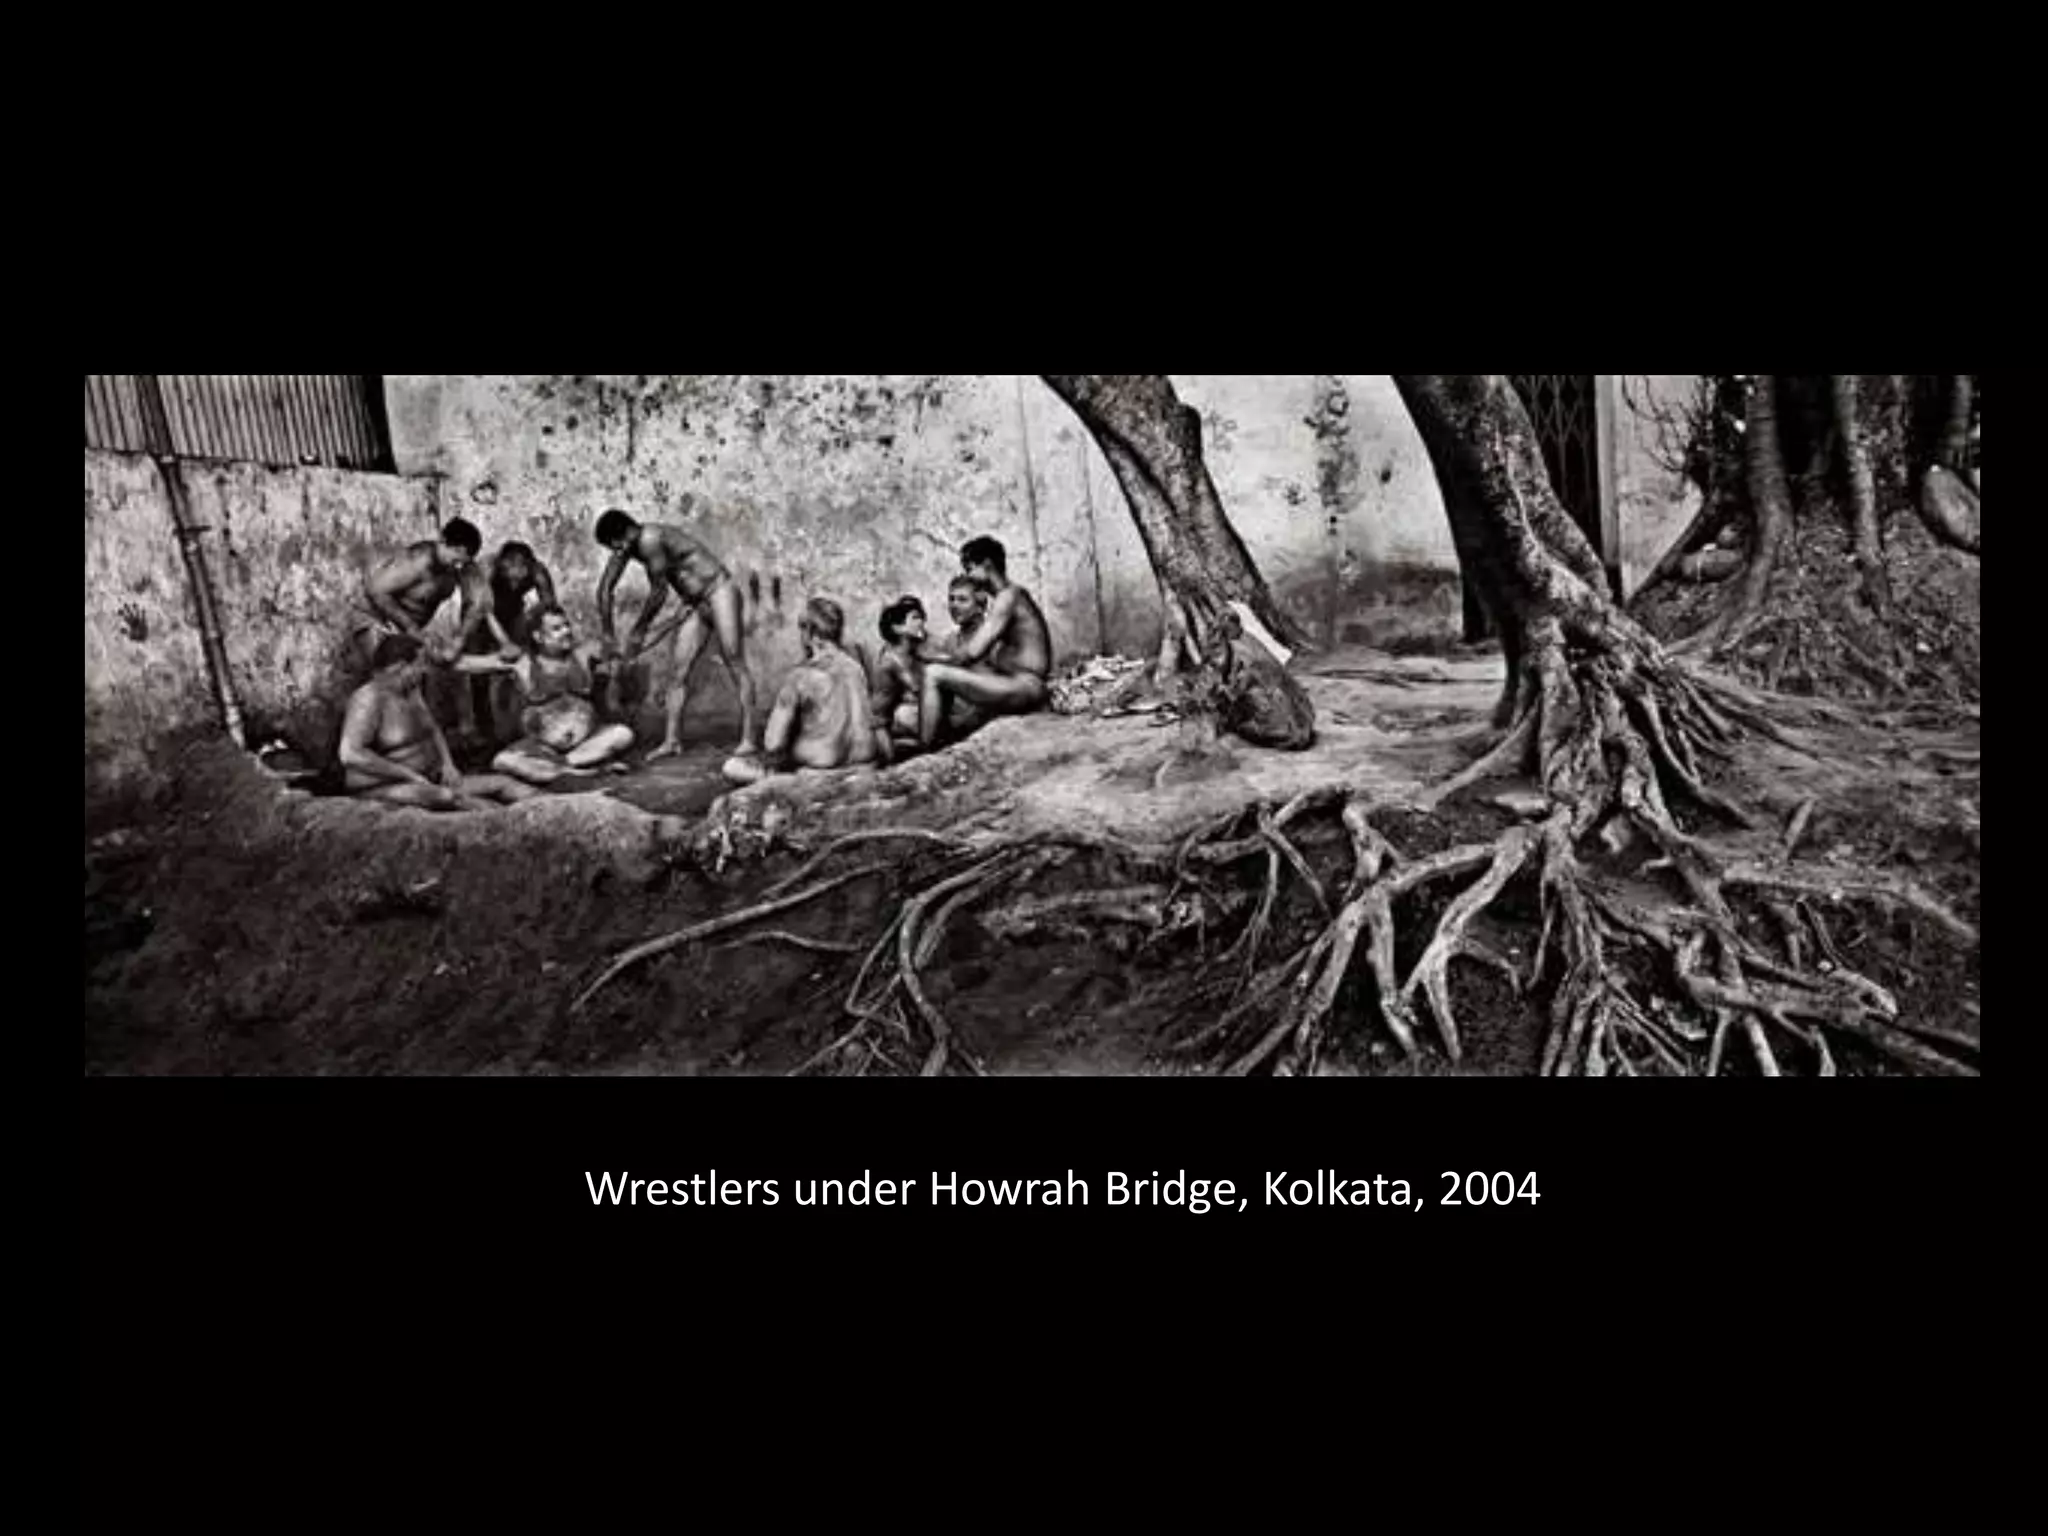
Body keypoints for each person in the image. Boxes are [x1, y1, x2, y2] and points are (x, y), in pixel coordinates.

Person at [594, 508, 760, 764]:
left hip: (718, 590)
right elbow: (605, 589)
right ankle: (672, 741)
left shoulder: (650, 539)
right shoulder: (626, 548)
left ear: (625, 534)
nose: (615, 552)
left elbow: (659, 591)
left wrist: (640, 629)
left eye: (614, 545)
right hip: (693, 602)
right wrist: (608, 633)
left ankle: (749, 738)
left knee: (734, 660)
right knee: (678, 673)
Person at [337, 634, 538, 812]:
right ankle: (508, 823)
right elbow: (350, 754)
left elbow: (432, 729)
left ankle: (551, 807)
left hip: (429, 778)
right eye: (420, 664)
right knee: (450, 798)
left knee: (503, 783)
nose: (424, 670)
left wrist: (448, 765)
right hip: (383, 787)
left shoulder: (411, 691)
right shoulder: (369, 698)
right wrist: (408, 775)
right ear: (401, 667)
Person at [464, 606, 637, 787]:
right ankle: (585, 771)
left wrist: (614, 666)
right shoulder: (523, 662)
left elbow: (618, 652)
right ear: (538, 636)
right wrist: (485, 620)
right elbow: (465, 663)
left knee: (623, 734)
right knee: (503, 761)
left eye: (566, 625)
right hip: (542, 749)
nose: (566, 631)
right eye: (556, 628)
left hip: (585, 744)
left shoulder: (583, 654)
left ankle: (565, 767)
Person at [722, 598, 878, 787]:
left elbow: (773, 744)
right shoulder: (856, 669)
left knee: (732, 767)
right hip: (863, 768)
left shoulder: (800, 676)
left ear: (809, 633)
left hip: (819, 774)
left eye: (801, 629)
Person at [917, 537, 1053, 748]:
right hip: (1020, 683)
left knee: (933, 673)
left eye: (970, 568)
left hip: (1026, 685)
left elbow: (973, 652)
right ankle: (939, 742)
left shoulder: (1008, 597)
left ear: (987, 564)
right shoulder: (1008, 596)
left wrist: (928, 657)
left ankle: (925, 751)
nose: (968, 575)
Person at [350, 519, 485, 672]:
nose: (458, 566)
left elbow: (476, 602)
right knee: (402, 668)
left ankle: (500, 663)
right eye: (455, 559)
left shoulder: (459, 567)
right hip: (376, 623)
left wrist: (460, 639)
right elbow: (375, 590)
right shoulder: (418, 560)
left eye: (462, 562)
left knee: (439, 659)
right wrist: (410, 627)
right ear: (442, 541)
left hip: (406, 633)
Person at [457, 542, 558, 746]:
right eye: (510, 577)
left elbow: (549, 604)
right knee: (479, 674)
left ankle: (528, 721)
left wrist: (531, 619)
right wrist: (505, 642)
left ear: (529, 566)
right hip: (479, 615)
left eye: (520, 578)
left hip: (512, 612)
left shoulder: (538, 571)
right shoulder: (487, 568)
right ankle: (485, 731)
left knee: (523, 662)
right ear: (502, 565)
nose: (515, 582)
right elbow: (484, 610)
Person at [869, 597, 930, 762]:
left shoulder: (911, 655)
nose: (921, 622)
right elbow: (917, 688)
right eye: (915, 618)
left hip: (894, 724)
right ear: (897, 628)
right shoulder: (891, 661)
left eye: (921, 617)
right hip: (883, 727)